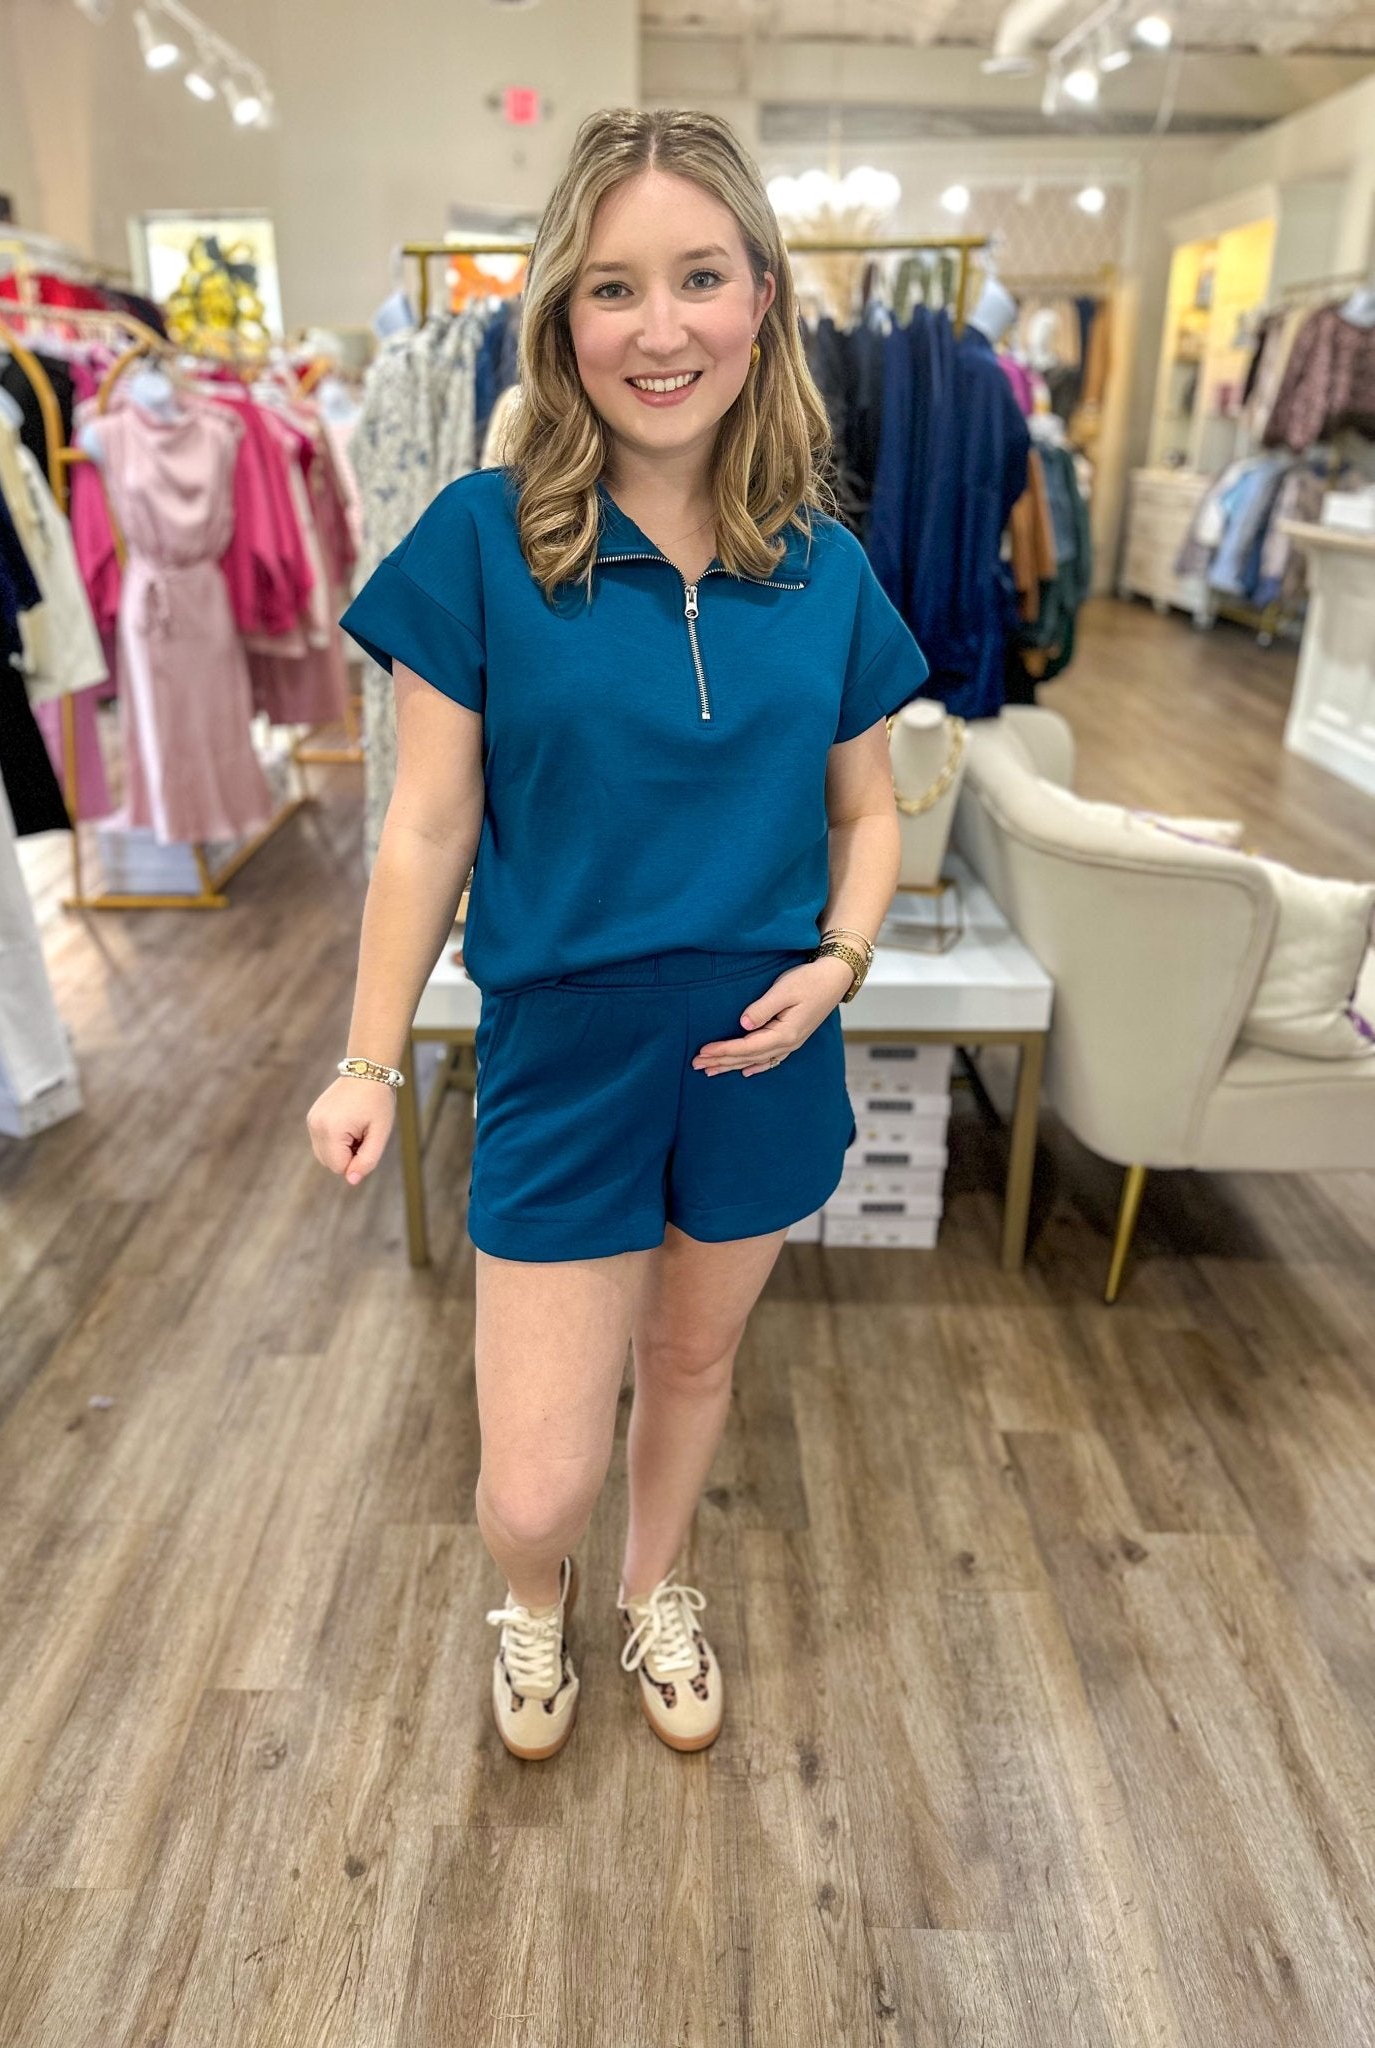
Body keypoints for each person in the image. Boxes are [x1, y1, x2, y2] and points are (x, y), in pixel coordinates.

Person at [308, 106, 927, 1764]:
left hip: (760, 1047)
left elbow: (871, 815)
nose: (661, 329)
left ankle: (658, 1586)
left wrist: (842, 965)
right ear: (561, 320)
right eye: (613, 287)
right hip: (563, 1050)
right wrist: (370, 1056)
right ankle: (539, 1596)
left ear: (764, 300)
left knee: (695, 1360)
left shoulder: (826, 569)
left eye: (700, 278)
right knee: (533, 1482)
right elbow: (426, 825)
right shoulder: (479, 538)